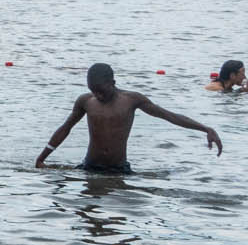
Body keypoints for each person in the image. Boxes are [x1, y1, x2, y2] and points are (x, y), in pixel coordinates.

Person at [36, 62, 224, 173]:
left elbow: (169, 116)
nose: (98, 96)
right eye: (94, 91)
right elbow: (65, 128)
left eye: (101, 91)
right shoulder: (86, 101)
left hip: (119, 169)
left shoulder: (131, 100)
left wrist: (206, 128)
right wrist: (42, 158)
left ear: (113, 83)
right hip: (90, 166)